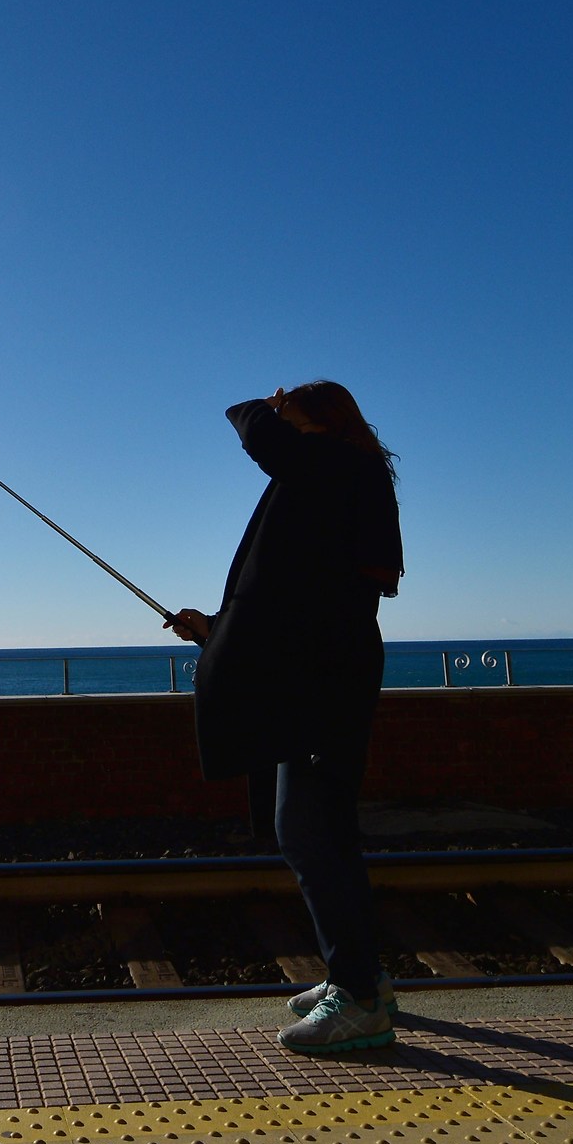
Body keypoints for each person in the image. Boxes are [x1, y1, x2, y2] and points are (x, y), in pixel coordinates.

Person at [168, 382, 403, 1055]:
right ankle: (361, 979)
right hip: (313, 678)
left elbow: (258, 435)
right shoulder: (330, 480)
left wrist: (263, 408)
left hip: (320, 684)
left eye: (291, 410)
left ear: (318, 419)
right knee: (318, 831)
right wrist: (215, 630)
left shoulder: (338, 465)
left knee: (309, 830)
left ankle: (358, 998)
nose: (280, 417)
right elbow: (292, 594)